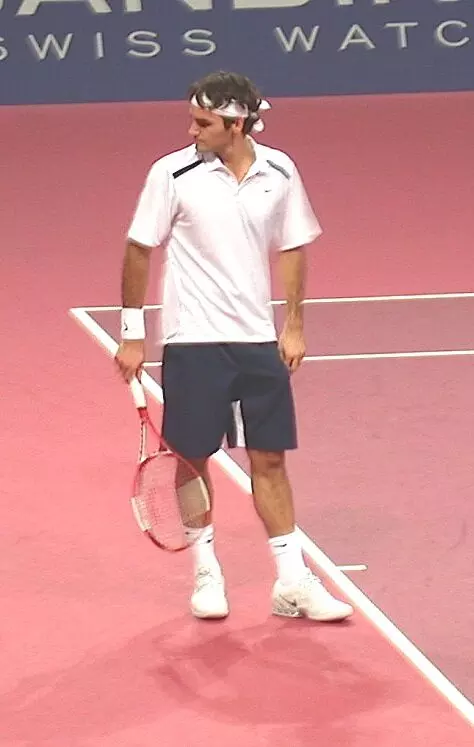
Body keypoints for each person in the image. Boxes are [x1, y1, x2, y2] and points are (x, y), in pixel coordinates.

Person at [115, 71, 353, 623]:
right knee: (192, 459)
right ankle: (206, 571)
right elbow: (138, 248)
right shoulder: (171, 173)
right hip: (193, 340)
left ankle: (291, 582)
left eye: (203, 123)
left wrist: (294, 324)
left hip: (256, 339)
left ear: (236, 124)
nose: (192, 130)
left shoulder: (280, 171)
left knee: (269, 459)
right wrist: (132, 332)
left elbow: (292, 247)